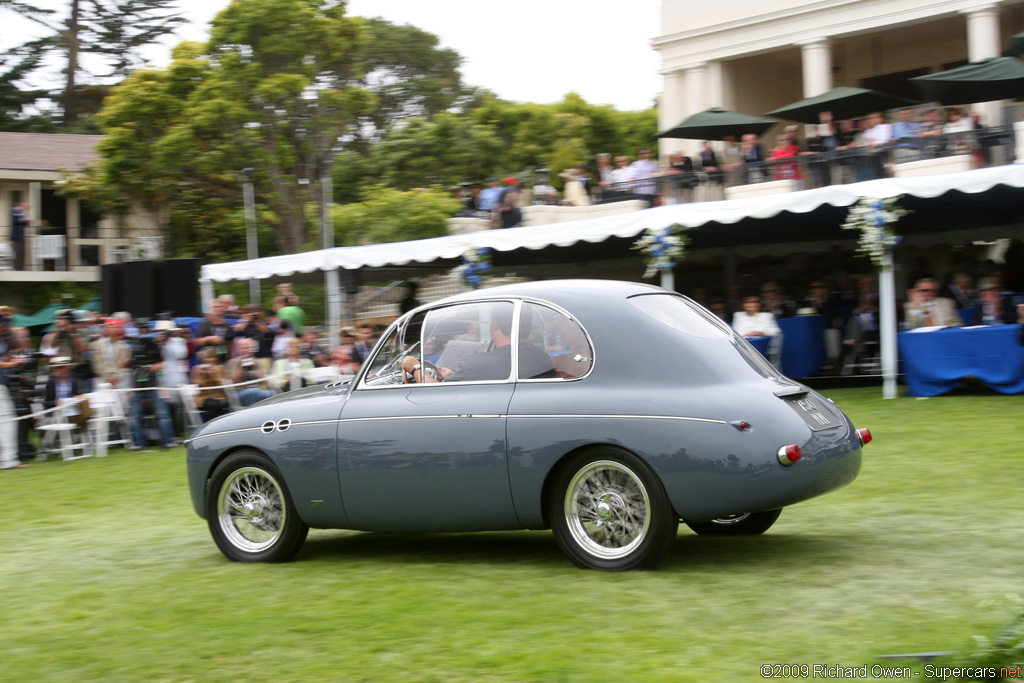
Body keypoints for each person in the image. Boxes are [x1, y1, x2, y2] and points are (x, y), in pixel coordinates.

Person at [401, 307, 553, 383]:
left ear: (495, 326)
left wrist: (415, 367)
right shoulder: (542, 358)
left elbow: (435, 394)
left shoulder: (479, 363)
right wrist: (456, 377)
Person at [0, 308, 29, 469]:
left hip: (1, 385)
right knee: (7, 421)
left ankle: (8, 460)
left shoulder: (5, 337)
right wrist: (12, 363)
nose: (7, 324)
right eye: (4, 320)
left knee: (7, 422)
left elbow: (23, 344)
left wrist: (8, 358)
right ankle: (8, 460)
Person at [43, 356, 92, 431]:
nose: (62, 370)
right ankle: (83, 426)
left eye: (64, 367)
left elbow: (79, 397)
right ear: (54, 370)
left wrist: (73, 399)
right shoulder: (51, 383)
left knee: (83, 399)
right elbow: (47, 403)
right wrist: (56, 402)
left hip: (73, 408)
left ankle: (83, 425)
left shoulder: (75, 381)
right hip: (58, 411)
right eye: (58, 368)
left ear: (69, 368)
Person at [227, 338, 275, 405]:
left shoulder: (257, 361)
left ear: (252, 349)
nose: (245, 350)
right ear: (237, 350)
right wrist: (240, 367)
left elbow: (264, 381)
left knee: (273, 393)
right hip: (240, 391)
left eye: (247, 348)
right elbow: (231, 382)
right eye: (242, 348)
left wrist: (255, 367)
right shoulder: (233, 362)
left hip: (258, 390)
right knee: (253, 392)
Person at [191, 348, 230, 421]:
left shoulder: (221, 368)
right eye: (207, 358)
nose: (209, 360)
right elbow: (197, 384)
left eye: (211, 357)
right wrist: (203, 375)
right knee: (216, 405)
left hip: (219, 397)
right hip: (203, 399)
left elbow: (223, 386)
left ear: (215, 359)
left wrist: (214, 375)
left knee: (222, 404)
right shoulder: (197, 369)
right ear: (202, 359)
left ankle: (211, 423)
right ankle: (211, 424)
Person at [196, 298, 231, 364]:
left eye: (219, 307)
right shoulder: (205, 324)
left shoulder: (226, 325)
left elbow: (229, 344)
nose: (217, 309)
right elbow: (197, 342)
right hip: (208, 358)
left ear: (223, 309)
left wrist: (227, 360)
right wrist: (210, 338)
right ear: (210, 309)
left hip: (221, 359)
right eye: (214, 307)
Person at [10, 202, 28, 271]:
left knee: (22, 252)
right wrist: (23, 220)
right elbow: (15, 221)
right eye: (23, 206)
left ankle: (21, 268)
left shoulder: (21, 213)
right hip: (16, 235)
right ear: (19, 206)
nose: (24, 208)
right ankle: (17, 268)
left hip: (21, 235)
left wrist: (25, 221)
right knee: (17, 252)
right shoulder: (14, 211)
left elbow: (24, 225)